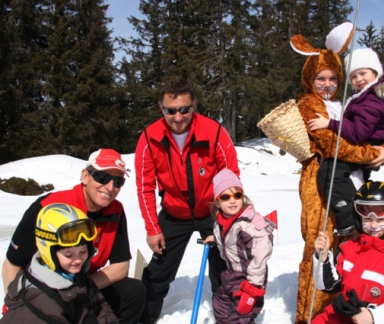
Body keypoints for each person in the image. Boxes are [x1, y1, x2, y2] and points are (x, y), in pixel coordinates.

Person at [290, 23, 384, 323]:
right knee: (319, 244)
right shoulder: (310, 104)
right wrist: (371, 153)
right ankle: (310, 313)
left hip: (352, 179)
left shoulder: (345, 103)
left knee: (347, 248)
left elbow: (378, 131)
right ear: (310, 79)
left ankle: (344, 309)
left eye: (333, 78)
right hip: (320, 182)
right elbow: (332, 145)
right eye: (320, 78)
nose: (327, 84)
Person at [135, 77, 239, 323]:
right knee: (158, 273)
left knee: (223, 271)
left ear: (194, 106)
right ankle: (143, 318)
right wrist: (152, 228)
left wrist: (228, 220)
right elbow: (144, 187)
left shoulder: (213, 131)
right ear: (161, 109)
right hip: (174, 215)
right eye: (171, 111)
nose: (178, 117)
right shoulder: (150, 137)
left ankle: (227, 317)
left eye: (184, 109)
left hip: (213, 213)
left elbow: (231, 176)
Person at [2, 148, 145, 324]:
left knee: (133, 292)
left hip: (84, 287)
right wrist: (16, 303)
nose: (110, 187)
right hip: (43, 293)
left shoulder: (115, 210)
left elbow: (120, 266)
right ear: (85, 176)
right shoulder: (48, 207)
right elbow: (13, 263)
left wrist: (79, 291)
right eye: (102, 177)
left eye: (118, 181)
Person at [308, 48, 384, 235]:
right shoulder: (367, 96)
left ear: (375, 72)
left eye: (363, 73)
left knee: (329, 172)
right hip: (367, 145)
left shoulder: (373, 99)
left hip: (364, 146)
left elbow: (357, 132)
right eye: (353, 76)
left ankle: (349, 216)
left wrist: (329, 123)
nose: (359, 79)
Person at [312, 181, 384, 324]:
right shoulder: (348, 247)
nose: (373, 226)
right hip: (339, 316)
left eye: (381, 219)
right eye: (367, 219)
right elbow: (328, 285)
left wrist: (373, 316)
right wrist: (323, 258)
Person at [1, 203, 118, 323]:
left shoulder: (73, 273)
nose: (78, 259)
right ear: (49, 252)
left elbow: (99, 305)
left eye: (83, 251)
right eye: (69, 255)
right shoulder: (42, 302)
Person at [207, 169, 274, 323]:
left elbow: (260, 256)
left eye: (237, 195)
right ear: (217, 201)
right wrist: (216, 240)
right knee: (221, 306)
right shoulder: (221, 221)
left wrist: (252, 287)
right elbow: (229, 239)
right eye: (225, 197)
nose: (232, 200)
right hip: (230, 274)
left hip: (248, 277)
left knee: (240, 314)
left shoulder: (250, 225)